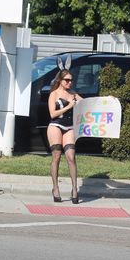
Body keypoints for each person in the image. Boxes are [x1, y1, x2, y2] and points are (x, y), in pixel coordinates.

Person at [47, 69, 83, 204]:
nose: (69, 82)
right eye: (67, 80)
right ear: (60, 81)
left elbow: (88, 104)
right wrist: (69, 106)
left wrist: (108, 100)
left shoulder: (73, 94)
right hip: (55, 126)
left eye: (71, 80)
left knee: (71, 157)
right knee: (56, 156)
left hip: (69, 127)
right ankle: (55, 188)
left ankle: (74, 189)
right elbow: (52, 114)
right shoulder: (54, 94)